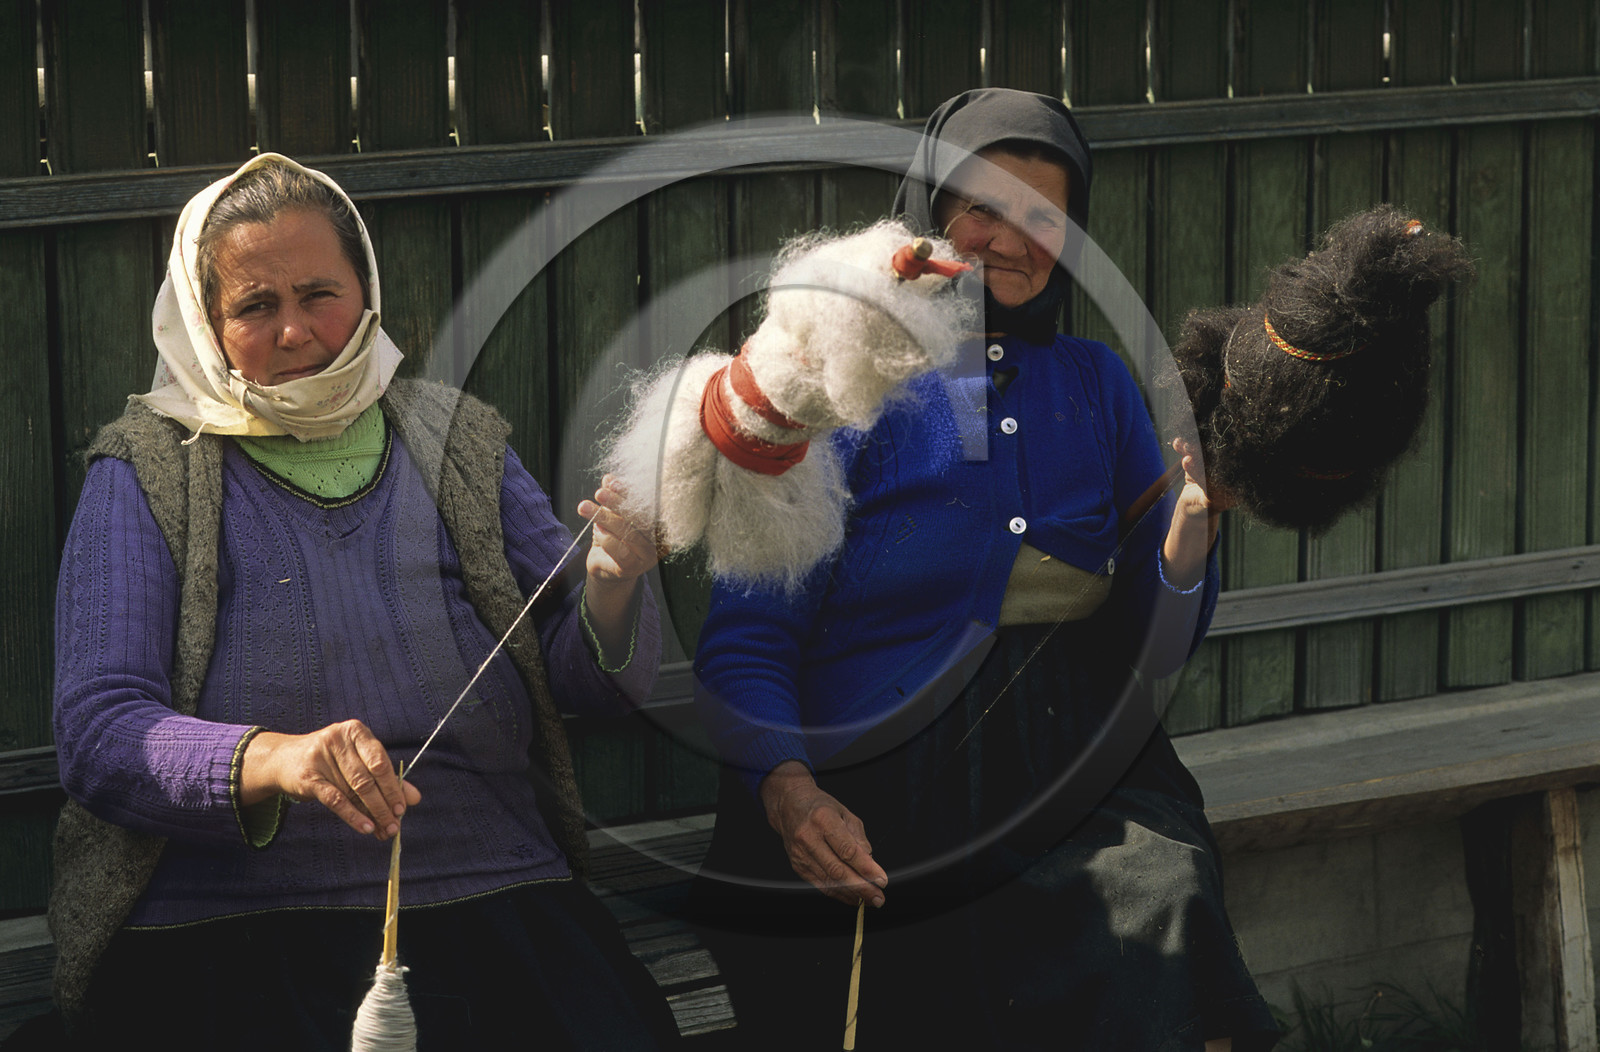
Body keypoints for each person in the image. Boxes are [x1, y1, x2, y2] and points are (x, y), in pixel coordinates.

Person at [687, 89, 1281, 1050]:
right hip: (876, 774)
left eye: (1044, 217)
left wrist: (1182, 552)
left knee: (1160, 906)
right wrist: (788, 789)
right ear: (929, 214)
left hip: (1065, 763)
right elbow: (746, 639)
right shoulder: (835, 377)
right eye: (984, 207)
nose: (1011, 239)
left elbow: (1147, 645)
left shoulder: (1095, 384)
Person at [47, 153, 679, 1050]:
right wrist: (276, 760)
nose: (297, 331)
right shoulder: (148, 468)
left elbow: (589, 685)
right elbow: (99, 734)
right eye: (254, 307)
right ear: (203, 321)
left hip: (497, 894)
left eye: (320, 293)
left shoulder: (457, 440)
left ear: (367, 290)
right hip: (230, 927)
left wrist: (615, 587)